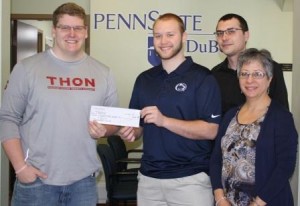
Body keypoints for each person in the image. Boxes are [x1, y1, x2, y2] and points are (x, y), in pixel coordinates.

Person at [0, 3, 119, 206]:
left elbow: (113, 122)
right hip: (37, 181)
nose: (72, 33)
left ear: (86, 32)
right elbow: (8, 118)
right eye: (65, 27)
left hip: (84, 183)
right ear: (54, 30)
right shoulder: (27, 68)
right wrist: (20, 168)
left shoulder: (103, 73)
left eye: (78, 28)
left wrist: (104, 129)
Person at [117, 13, 222, 206]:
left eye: (170, 35)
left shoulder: (203, 78)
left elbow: (211, 130)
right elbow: (138, 126)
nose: (163, 41)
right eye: (158, 36)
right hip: (149, 181)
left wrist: (164, 120)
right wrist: (130, 132)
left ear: (183, 37)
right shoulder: (144, 79)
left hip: (190, 181)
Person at [210, 48, 298, 206]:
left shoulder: (281, 117)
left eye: (257, 74)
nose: (249, 80)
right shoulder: (230, 116)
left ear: (269, 78)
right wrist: (220, 198)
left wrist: (258, 203)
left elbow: (285, 166)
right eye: (244, 74)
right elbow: (216, 159)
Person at [211, 13, 289, 115]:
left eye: (231, 31)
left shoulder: (270, 68)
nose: (224, 38)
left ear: (246, 35)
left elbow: (282, 113)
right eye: (220, 33)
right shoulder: (214, 75)